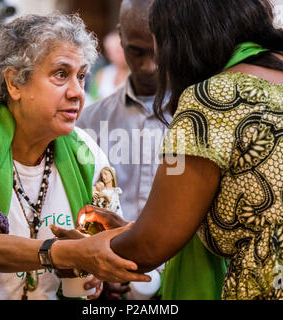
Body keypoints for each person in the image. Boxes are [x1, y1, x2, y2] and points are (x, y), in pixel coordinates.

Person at [75, 0, 283, 300]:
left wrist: (71, 254)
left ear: (183, 42)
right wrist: (130, 230)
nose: (157, 63)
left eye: (161, 45)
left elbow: (152, 245)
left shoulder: (212, 99)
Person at [0, 13, 149, 300]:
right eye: (61, 74)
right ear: (14, 83)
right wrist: (69, 254)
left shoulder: (87, 153)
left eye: (81, 76)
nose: (77, 92)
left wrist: (97, 272)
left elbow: (102, 247)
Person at [78, 0, 227, 300]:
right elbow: (81, 205)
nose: (148, 65)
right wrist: (102, 268)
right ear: (120, 38)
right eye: (136, 51)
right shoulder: (90, 121)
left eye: (158, 52)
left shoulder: (203, 119)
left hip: (185, 282)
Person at [88, 31, 129, 102]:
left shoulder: (136, 74)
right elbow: (93, 98)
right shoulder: (102, 73)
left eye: (120, 50)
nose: (120, 54)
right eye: (112, 51)